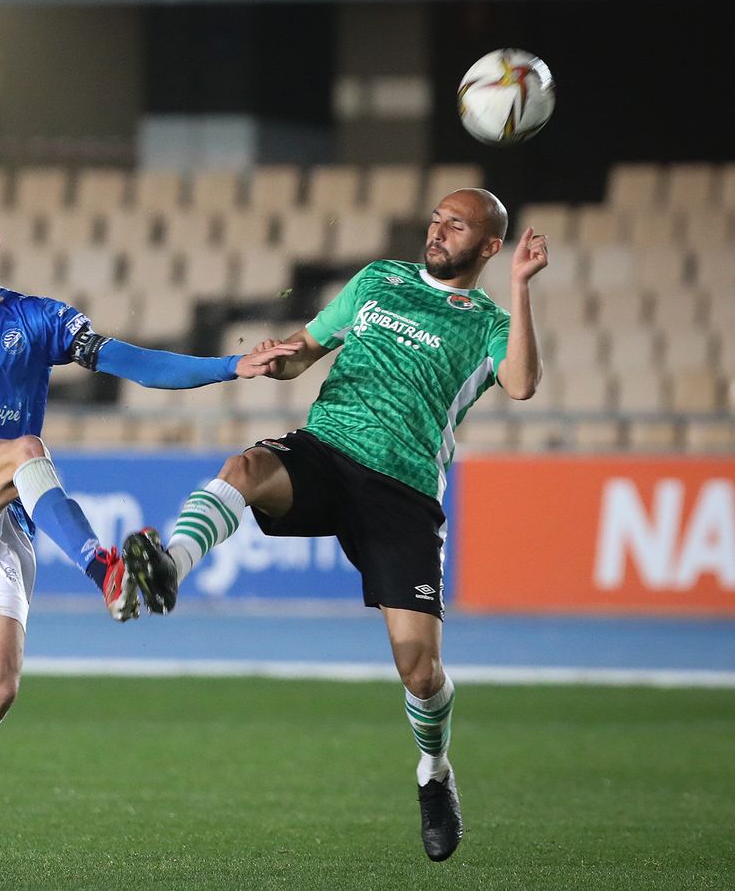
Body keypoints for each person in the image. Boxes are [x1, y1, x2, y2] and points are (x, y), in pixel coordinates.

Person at [0, 173, 297, 863]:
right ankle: (106, 570)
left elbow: (128, 359)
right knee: (25, 450)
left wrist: (229, 367)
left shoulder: (37, 317)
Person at [122, 188, 547, 862]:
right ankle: (171, 565)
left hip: (402, 493)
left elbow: (521, 382)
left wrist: (521, 288)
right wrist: (278, 359)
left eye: (456, 225)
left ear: (489, 246)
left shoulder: (489, 321)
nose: (438, 230)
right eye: (436, 217)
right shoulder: (379, 279)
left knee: (419, 669)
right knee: (248, 466)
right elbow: (308, 347)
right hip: (326, 450)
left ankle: (434, 773)